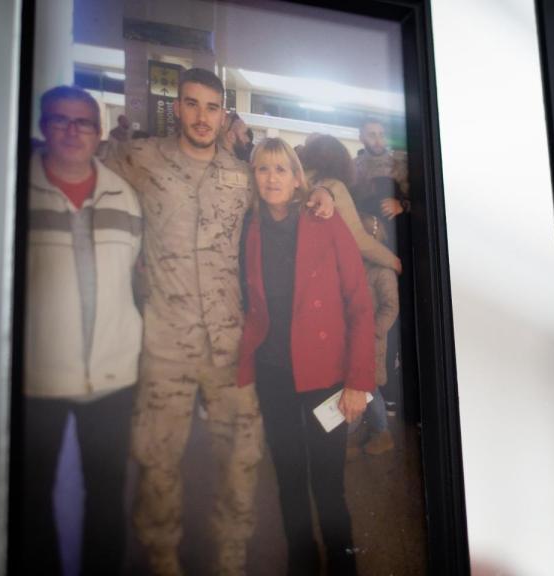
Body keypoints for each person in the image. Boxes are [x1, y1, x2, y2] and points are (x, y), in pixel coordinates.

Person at [103, 67, 333, 576]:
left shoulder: (241, 176)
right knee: (158, 459)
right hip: (167, 340)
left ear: (224, 115)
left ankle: (231, 557)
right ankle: (163, 557)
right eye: (191, 104)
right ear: (176, 106)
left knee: (243, 455)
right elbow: (91, 168)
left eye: (211, 107)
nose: (201, 117)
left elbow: (285, 199)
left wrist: (324, 195)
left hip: (233, 343)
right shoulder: (141, 159)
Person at [236, 137, 374, 575]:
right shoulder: (249, 228)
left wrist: (359, 382)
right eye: (263, 169)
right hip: (273, 372)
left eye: (281, 169)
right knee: (289, 474)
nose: (271, 177)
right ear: (253, 177)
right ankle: (301, 555)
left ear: (298, 178)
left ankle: (341, 558)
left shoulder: (323, 221)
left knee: (328, 480)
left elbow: (359, 302)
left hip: (326, 374)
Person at [22, 86, 142, 575]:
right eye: (60, 120)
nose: (72, 131)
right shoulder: (16, 190)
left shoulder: (123, 196)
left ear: (98, 133)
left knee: (106, 496)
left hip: (113, 375)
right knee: (31, 497)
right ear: (42, 125)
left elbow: (133, 272)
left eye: (83, 123)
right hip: (37, 379)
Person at [301, 133, 403, 275]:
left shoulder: (296, 181)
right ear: (341, 161)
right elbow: (358, 239)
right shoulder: (333, 186)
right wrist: (393, 261)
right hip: (321, 266)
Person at [349, 212, 400, 456]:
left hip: (371, 341)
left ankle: (382, 432)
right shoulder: (355, 265)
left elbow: (391, 307)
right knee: (361, 384)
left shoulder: (383, 271)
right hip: (354, 338)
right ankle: (365, 429)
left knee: (369, 386)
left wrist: (373, 333)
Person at [354, 118, 410, 220]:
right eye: (372, 135)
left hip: (397, 226)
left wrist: (401, 205)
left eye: (381, 135)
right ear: (361, 138)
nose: (378, 141)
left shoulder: (401, 164)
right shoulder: (353, 167)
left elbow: (421, 200)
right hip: (365, 226)